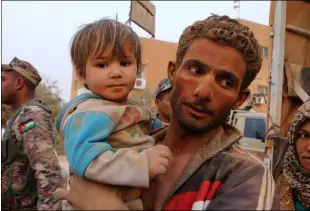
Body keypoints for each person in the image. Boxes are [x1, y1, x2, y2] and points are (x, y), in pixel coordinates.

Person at [56, 14, 279, 210]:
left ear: (240, 98)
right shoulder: (127, 140)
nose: (202, 92)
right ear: (172, 73)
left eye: (226, 82)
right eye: (196, 70)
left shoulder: (245, 175)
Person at [55, 18, 172, 210]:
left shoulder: (128, 108)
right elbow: (87, 160)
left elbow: (150, 127)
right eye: (102, 65)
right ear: (82, 73)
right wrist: (142, 164)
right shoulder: (89, 113)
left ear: (138, 68)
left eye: (125, 63)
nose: (116, 72)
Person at [1, 57, 62, 210]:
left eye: (3, 80)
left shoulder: (31, 116)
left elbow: (48, 173)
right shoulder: (19, 117)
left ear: (18, 83)